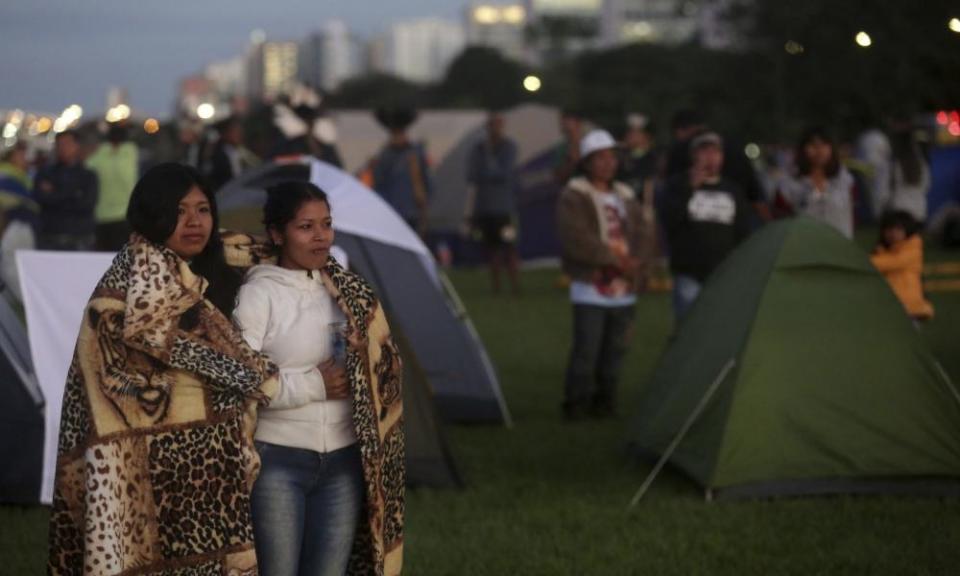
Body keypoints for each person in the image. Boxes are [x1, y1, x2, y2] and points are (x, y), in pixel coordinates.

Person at [47, 163, 280, 575]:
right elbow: (218, 357)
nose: (192, 222)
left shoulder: (209, 259)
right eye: (177, 211)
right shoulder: (144, 271)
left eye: (202, 209)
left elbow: (281, 249)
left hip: (200, 459)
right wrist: (286, 384)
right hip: (141, 459)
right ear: (151, 217)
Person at [233, 181, 405, 576]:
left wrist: (368, 359)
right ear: (278, 234)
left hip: (345, 459)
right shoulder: (260, 295)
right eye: (305, 226)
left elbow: (385, 364)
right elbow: (241, 376)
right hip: (278, 458)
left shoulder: (346, 291)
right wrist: (314, 384)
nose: (320, 236)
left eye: (326, 224)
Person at [557, 129, 651, 420]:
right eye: (600, 158)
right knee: (587, 350)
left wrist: (638, 264)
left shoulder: (625, 196)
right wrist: (613, 259)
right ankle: (576, 404)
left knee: (615, 351)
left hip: (624, 287)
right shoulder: (574, 195)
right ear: (586, 163)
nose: (608, 164)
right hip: (591, 285)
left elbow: (644, 234)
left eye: (612, 157)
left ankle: (605, 403)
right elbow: (576, 238)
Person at [660, 132, 752, 322]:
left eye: (716, 151)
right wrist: (690, 187)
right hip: (689, 275)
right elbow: (668, 220)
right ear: (693, 155)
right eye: (705, 151)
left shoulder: (732, 190)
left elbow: (743, 232)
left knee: (720, 328)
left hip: (724, 275)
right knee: (688, 329)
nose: (711, 156)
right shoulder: (677, 184)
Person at [466, 112, 520, 294]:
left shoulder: (509, 147)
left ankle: (514, 286)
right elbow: (472, 175)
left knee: (510, 247)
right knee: (492, 249)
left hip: (505, 208)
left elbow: (504, 173)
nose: (495, 128)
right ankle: (496, 287)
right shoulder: (478, 149)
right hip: (485, 208)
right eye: (492, 124)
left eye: (498, 124)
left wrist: (487, 171)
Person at [776, 126, 855, 239]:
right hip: (805, 245)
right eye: (813, 145)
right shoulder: (790, 183)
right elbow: (780, 217)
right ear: (803, 149)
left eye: (824, 144)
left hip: (839, 245)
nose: (819, 150)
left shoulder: (844, 179)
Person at [370, 107, 432, 235]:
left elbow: (427, 184)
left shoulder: (415, 153)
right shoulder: (385, 156)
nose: (397, 137)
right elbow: (378, 185)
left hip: (413, 213)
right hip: (393, 215)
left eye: (399, 132)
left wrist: (424, 210)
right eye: (395, 133)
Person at [34, 130, 98, 250]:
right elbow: (41, 199)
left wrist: (56, 194)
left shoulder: (88, 175)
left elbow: (87, 204)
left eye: (67, 144)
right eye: (59, 144)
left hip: (80, 239)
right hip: (50, 237)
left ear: (77, 145)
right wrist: (73, 194)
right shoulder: (46, 173)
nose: (63, 148)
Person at [871, 210, 934, 322]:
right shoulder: (881, 252)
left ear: (908, 230)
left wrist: (866, 261)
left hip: (911, 308)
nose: (893, 233)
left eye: (898, 229)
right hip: (891, 306)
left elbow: (893, 262)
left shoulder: (913, 249)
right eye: (889, 229)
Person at [87, 122, 139, 251]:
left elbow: (86, 166)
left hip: (101, 216)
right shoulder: (131, 154)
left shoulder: (98, 157)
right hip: (125, 215)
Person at [0, 142, 39, 299]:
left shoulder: (22, 175)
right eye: (20, 155)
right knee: (13, 268)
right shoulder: (8, 176)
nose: (25, 159)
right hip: (13, 227)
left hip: (18, 225)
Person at [888, 122, 930, 224]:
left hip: (899, 210)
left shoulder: (894, 163)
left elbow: (887, 188)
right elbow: (927, 185)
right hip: (919, 211)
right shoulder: (920, 163)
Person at [208, 116, 260, 191]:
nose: (238, 135)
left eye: (239, 131)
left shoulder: (244, 152)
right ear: (225, 133)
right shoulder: (218, 155)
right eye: (234, 132)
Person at [553, 109, 584, 185]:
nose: (564, 125)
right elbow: (557, 177)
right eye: (562, 122)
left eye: (568, 121)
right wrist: (571, 162)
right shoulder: (560, 148)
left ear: (578, 123)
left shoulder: (590, 143)